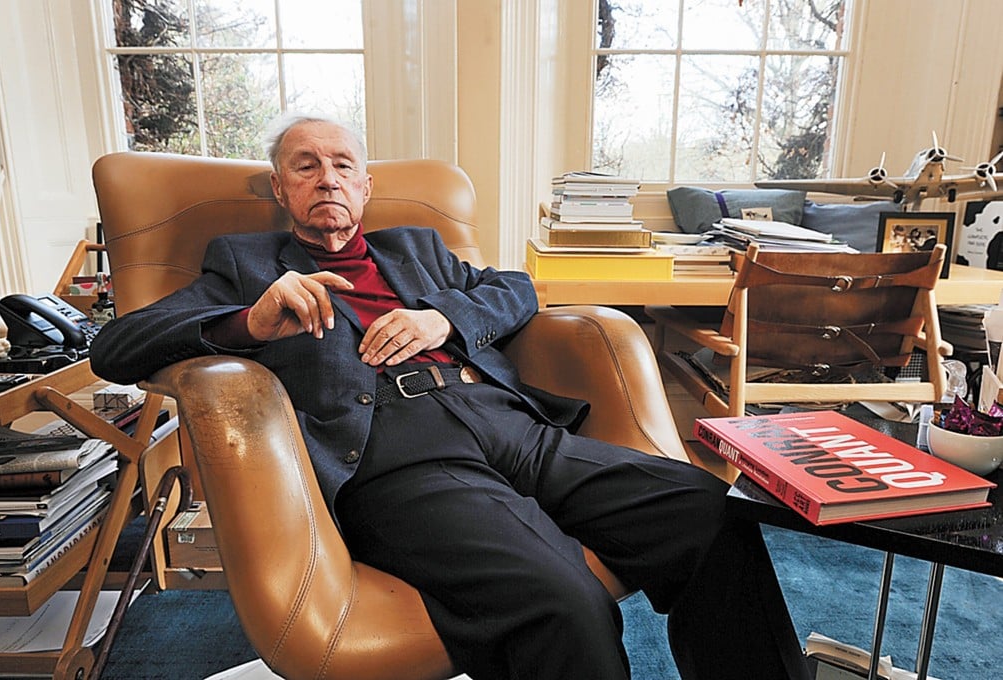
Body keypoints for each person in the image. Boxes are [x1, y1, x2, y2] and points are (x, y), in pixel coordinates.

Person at [90, 113, 810, 680]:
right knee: (563, 601)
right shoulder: (245, 266)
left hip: (511, 426)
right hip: (397, 454)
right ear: (280, 189)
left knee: (710, 514)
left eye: (343, 164)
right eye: (305, 166)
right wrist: (251, 320)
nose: (327, 179)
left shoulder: (419, 248)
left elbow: (516, 288)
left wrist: (445, 316)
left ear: (366, 186)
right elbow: (117, 348)